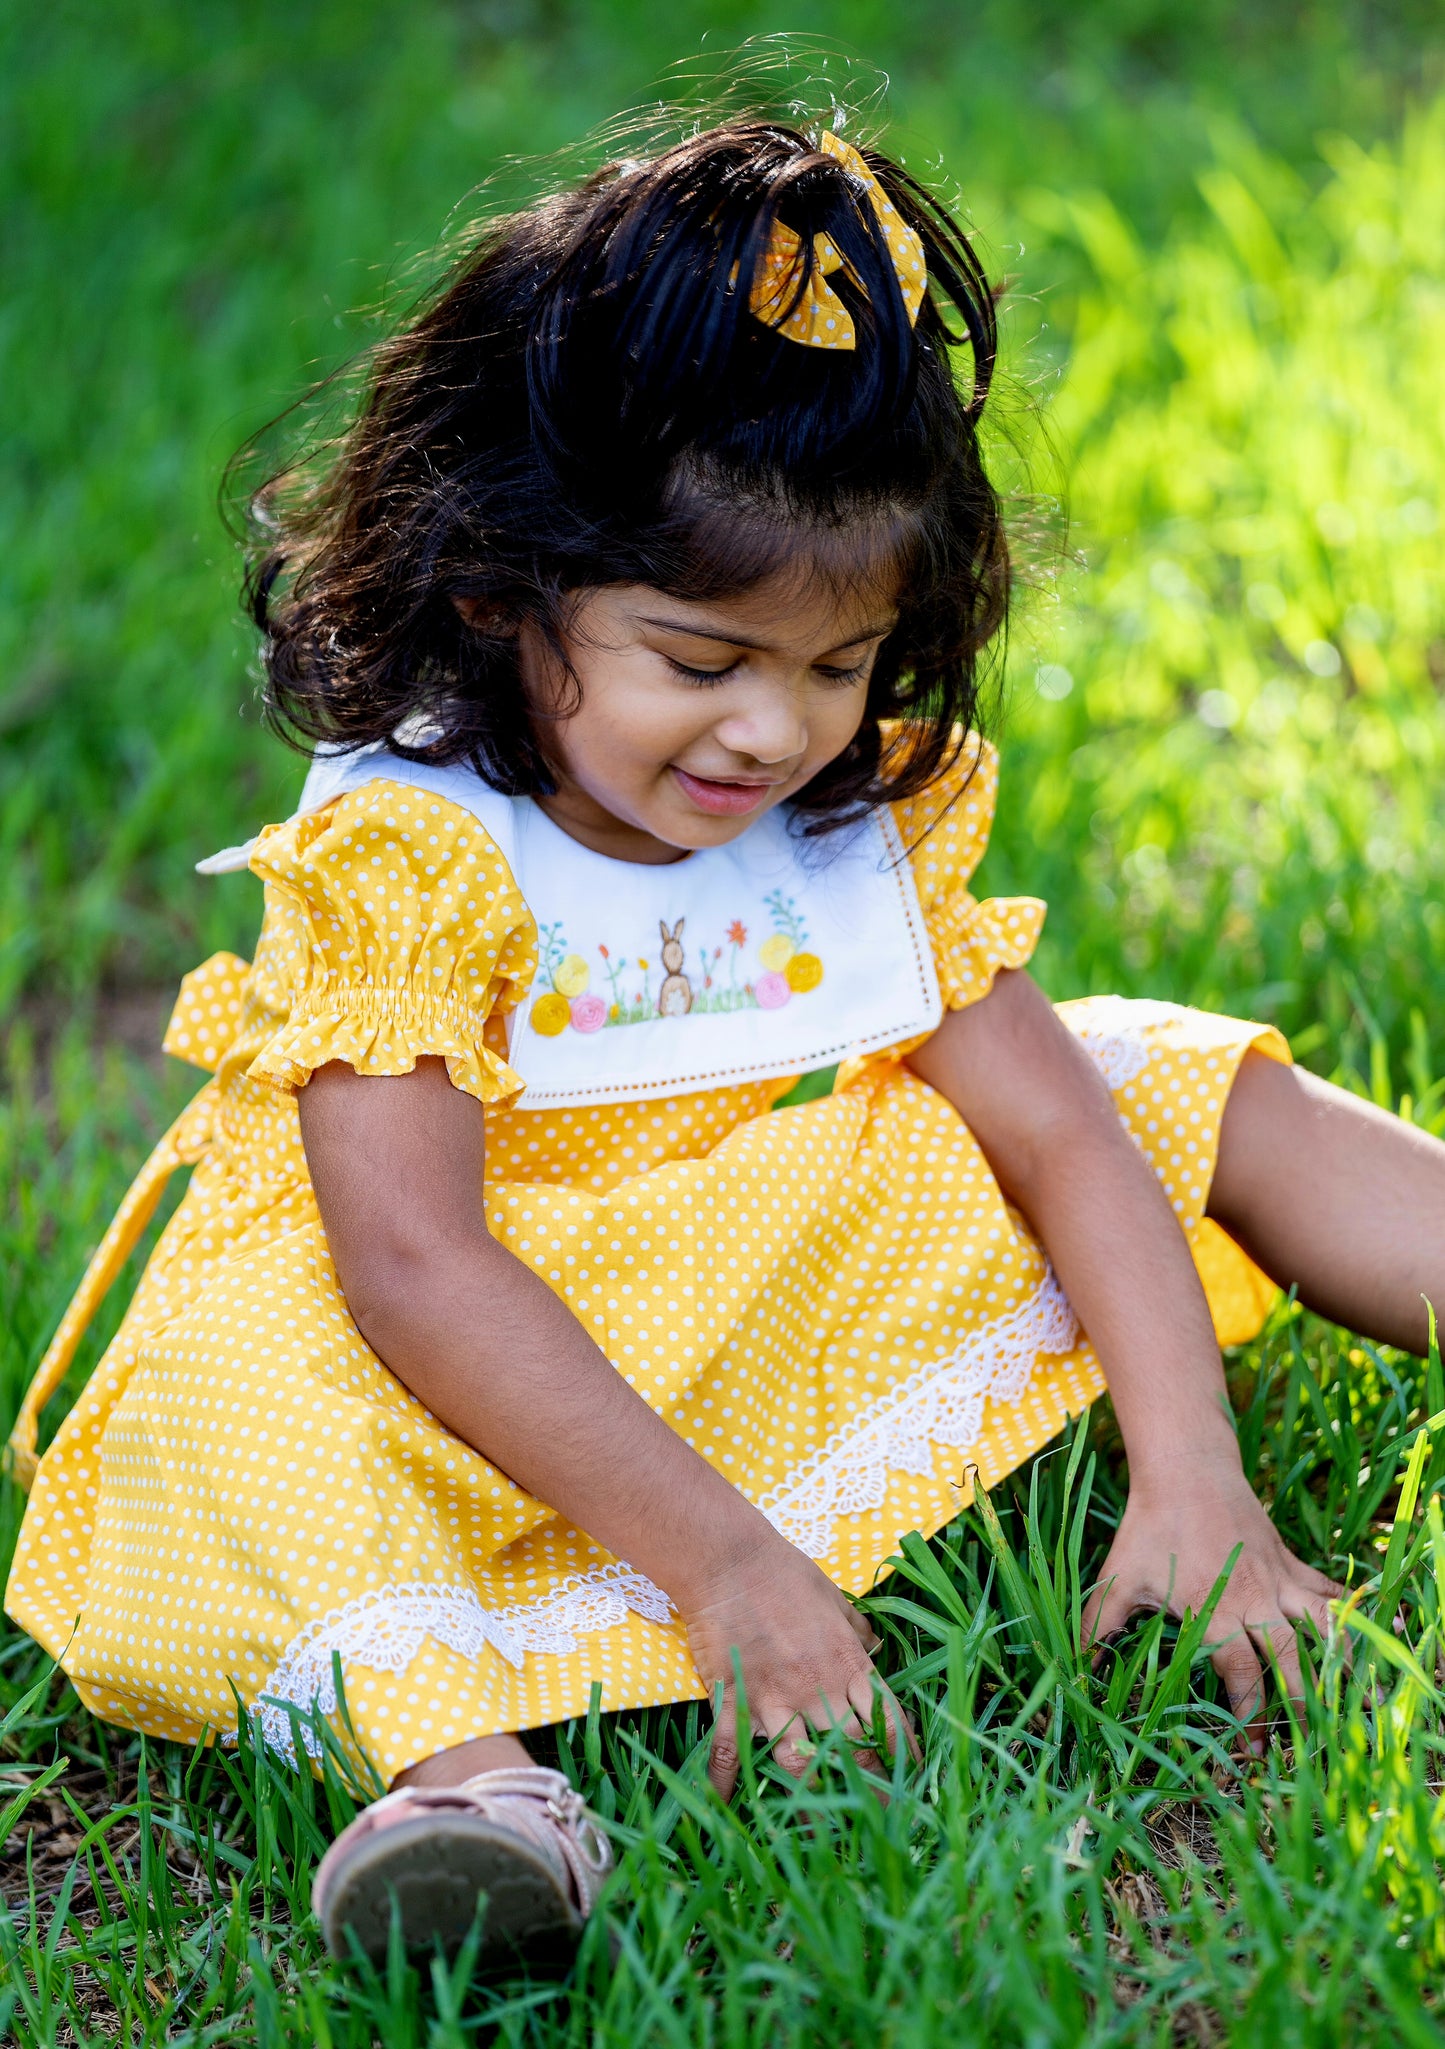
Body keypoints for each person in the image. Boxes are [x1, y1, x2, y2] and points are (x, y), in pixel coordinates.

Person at [7, 118, 1444, 1975]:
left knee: (1148, 1067)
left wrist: (1197, 1481)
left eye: (838, 664)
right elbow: (416, 1266)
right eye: (700, 662)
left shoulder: (850, 817)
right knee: (241, 1373)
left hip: (749, 1266)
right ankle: (475, 1787)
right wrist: (729, 1567)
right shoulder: (415, 848)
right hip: (480, 1351)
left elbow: (1068, 1140)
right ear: (496, 593)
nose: (774, 730)